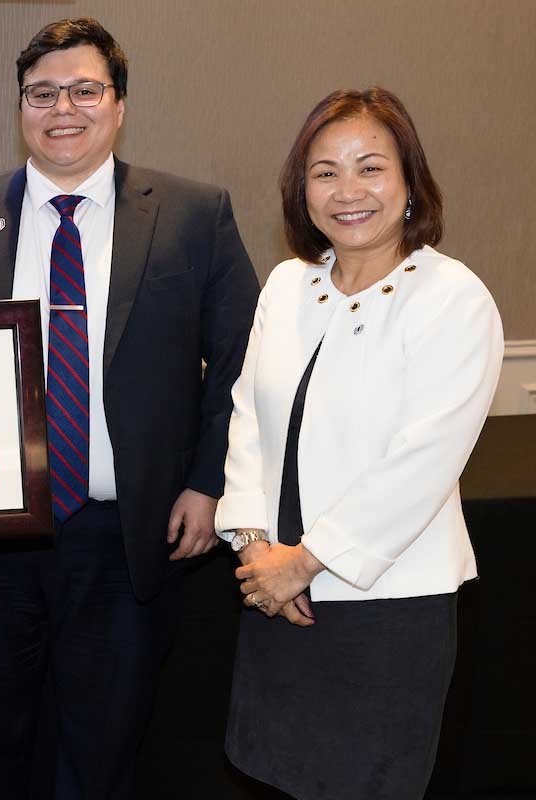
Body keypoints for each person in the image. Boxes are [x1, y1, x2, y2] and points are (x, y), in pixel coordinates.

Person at [0, 17, 260, 799]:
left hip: (127, 534)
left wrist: (210, 483)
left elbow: (241, 363)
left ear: (118, 104)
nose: (62, 108)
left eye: (84, 89)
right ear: (20, 107)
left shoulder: (191, 214)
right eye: (42, 92)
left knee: (102, 752)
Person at [215, 87, 504, 799]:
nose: (348, 191)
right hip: (275, 596)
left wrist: (305, 562)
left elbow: (423, 461)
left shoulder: (451, 297)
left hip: (387, 609)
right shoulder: (286, 286)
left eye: (370, 167)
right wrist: (256, 549)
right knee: (270, 776)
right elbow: (246, 416)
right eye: (325, 172)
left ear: (409, 182)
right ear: (301, 189)